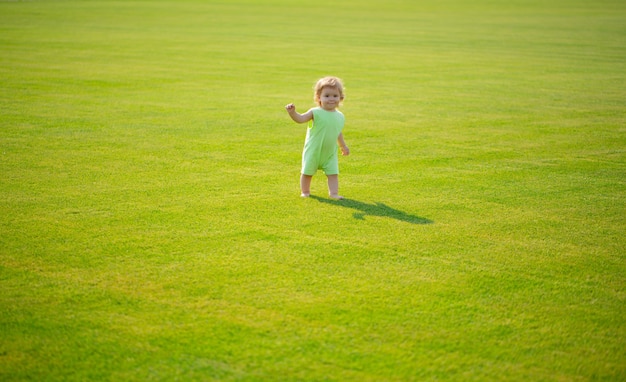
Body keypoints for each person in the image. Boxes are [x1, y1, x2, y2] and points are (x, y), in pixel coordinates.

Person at [285, 76, 350, 199]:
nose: (331, 99)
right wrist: (292, 113)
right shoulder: (315, 112)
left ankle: (334, 193)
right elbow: (301, 119)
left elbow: (338, 132)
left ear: (341, 98)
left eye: (335, 96)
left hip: (330, 153)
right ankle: (305, 191)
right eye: (327, 96)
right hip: (314, 151)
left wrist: (343, 146)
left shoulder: (340, 116)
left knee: (333, 173)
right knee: (307, 172)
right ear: (318, 97)